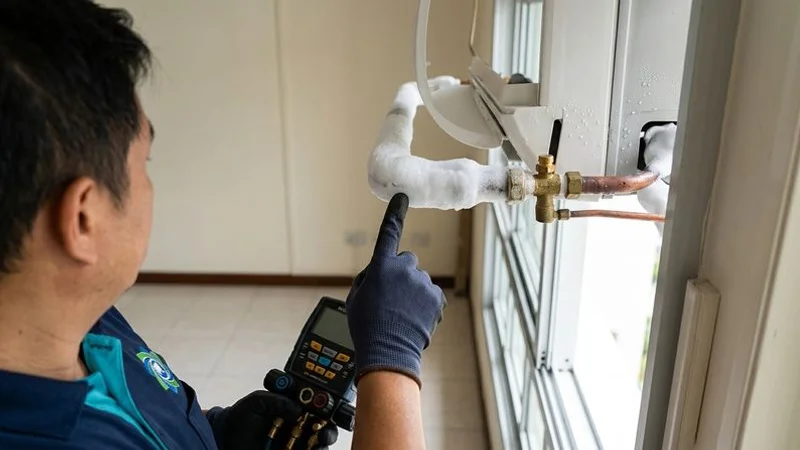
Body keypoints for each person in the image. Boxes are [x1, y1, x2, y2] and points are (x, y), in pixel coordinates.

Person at [0, 1, 446, 449]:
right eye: (144, 164)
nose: (150, 186)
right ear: (83, 217)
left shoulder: (85, 323)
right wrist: (393, 359)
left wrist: (219, 434)